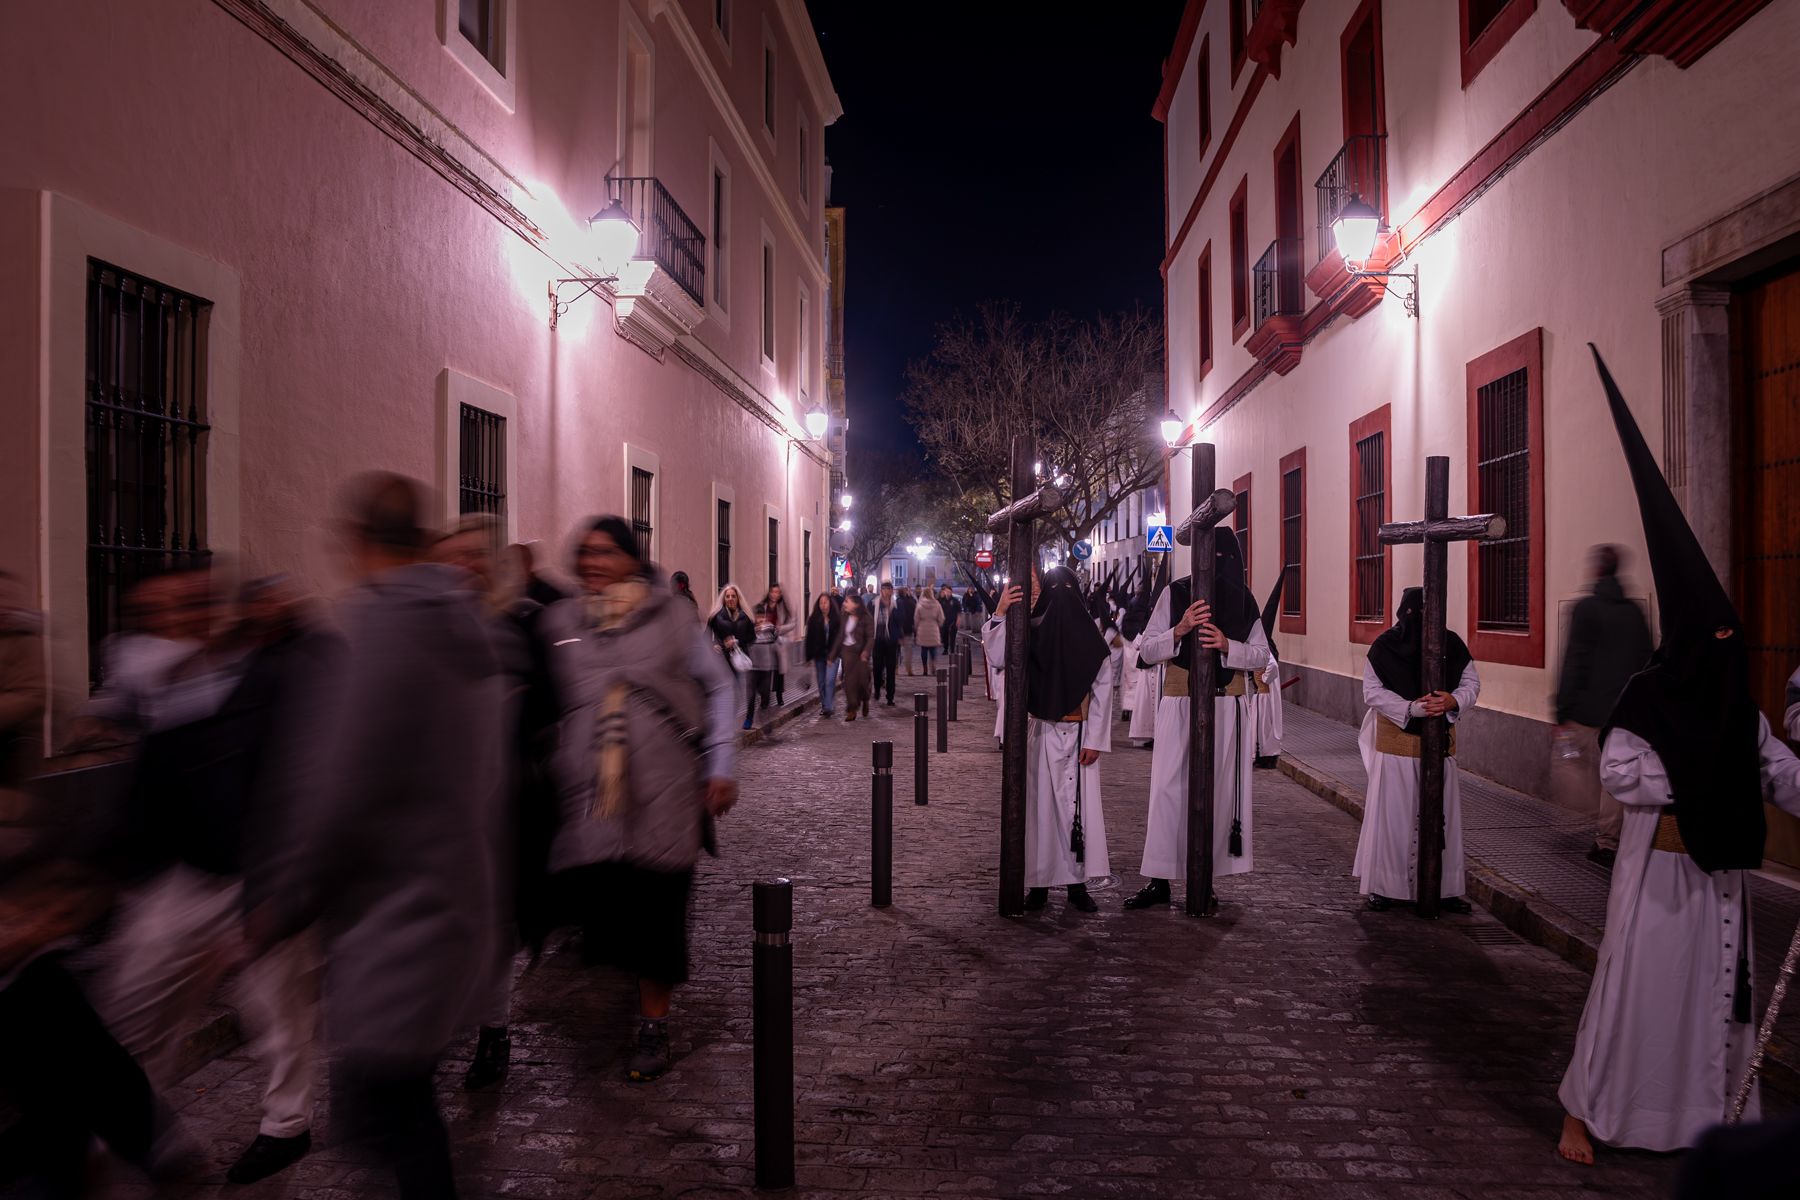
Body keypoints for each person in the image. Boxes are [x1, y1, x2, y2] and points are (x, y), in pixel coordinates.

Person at [1556, 350, 1800, 1165]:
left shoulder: (1735, 708)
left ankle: (1705, 1126)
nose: (1728, 655)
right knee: (1640, 998)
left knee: (1711, 1008)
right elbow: (1623, 773)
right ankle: (1586, 1114)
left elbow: (1774, 769)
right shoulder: (1647, 700)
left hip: (1719, 879)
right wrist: (1700, 775)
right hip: (1657, 878)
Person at [251, 472, 506, 1199]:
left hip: (394, 917)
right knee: (398, 1112)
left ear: (358, 541)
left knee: (390, 1118)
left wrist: (288, 900)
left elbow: (343, 787)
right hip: (449, 896)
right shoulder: (464, 625)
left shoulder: (385, 628)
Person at [538, 516, 738, 1083]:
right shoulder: (562, 624)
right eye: (585, 553)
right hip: (593, 800)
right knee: (605, 907)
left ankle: (654, 1026)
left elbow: (720, 687)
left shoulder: (672, 618)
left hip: (665, 793)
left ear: (632, 557)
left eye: (606, 552)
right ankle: (629, 990)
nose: (593, 562)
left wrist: (720, 764)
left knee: (657, 911)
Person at [434, 517, 562, 1094]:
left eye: (473, 557)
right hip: (433, 811)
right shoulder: (424, 630)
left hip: (501, 804)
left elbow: (552, 708)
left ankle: (494, 1033)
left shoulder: (519, 627)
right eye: (452, 557)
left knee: (492, 930)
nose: (464, 567)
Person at [1127, 530, 1267, 912]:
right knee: (1169, 790)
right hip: (1180, 706)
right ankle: (1159, 878)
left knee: (1220, 793)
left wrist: (1228, 646)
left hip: (1227, 709)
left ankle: (1206, 877)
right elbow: (1146, 651)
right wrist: (1181, 629)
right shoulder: (1175, 594)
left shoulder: (1243, 601)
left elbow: (1261, 657)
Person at [983, 568, 1113, 912]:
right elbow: (997, 658)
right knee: (1039, 811)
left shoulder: (1087, 638)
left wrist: (1096, 739)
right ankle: (1038, 884)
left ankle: (1076, 885)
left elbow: (1102, 686)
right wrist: (1000, 612)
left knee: (1075, 812)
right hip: (1039, 731)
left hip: (1079, 734)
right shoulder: (1028, 631)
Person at [1353, 587, 1482, 913]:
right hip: (1396, 751)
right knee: (1393, 819)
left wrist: (1452, 700)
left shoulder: (1451, 645)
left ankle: (1445, 886)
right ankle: (1384, 886)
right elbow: (1372, 692)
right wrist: (1410, 708)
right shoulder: (1384, 647)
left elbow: (1471, 684)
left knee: (1443, 820)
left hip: (1438, 749)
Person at [1553, 544, 1654, 870]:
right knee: (1614, 777)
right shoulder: (1634, 612)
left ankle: (1600, 834)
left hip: (1587, 712)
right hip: (1624, 713)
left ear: (1597, 570)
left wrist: (1562, 709)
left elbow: (1575, 660)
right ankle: (1608, 836)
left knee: (1583, 771)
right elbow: (1647, 661)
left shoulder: (1586, 609)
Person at [707, 585, 755, 729]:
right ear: (724, 599)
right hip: (722, 660)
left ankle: (729, 720)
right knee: (724, 692)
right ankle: (723, 722)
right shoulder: (716, 617)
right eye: (727, 596)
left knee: (736, 693)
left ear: (738, 598)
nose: (730, 599)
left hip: (738, 662)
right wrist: (713, 644)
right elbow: (706, 637)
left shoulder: (745, 617)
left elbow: (752, 638)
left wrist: (737, 642)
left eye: (733, 596)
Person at [1251, 574, 1286, 769]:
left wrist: (1263, 679)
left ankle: (1266, 755)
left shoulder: (1267, 649)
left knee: (1266, 726)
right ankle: (1261, 754)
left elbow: (1272, 666)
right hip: (1260, 695)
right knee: (1261, 726)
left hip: (1265, 695)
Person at [803, 593, 843, 717]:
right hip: (819, 655)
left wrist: (836, 654)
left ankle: (829, 706)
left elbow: (839, 639)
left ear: (830, 603)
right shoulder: (814, 619)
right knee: (821, 682)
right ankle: (825, 706)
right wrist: (808, 657)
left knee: (829, 680)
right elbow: (809, 639)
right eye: (821, 602)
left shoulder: (836, 619)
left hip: (833, 655)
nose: (823, 605)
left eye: (825, 602)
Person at [839, 593, 872, 721]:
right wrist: (832, 656)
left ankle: (865, 699)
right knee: (849, 682)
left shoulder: (866, 618)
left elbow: (870, 637)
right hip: (848, 652)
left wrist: (866, 651)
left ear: (856, 604)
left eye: (847, 601)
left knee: (863, 682)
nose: (844, 603)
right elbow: (840, 636)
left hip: (861, 653)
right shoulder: (844, 617)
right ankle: (852, 709)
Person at [746, 601, 780, 729]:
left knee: (765, 693)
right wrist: (753, 631)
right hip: (752, 668)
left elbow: (776, 636)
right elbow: (744, 640)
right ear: (754, 617)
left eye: (762, 617)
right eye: (758, 617)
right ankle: (749, 718)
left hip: (766, 668)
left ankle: (764, 716)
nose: (760, 619)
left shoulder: (769, 628)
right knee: (750, 696)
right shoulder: (749, 629)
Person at [761, 583, 797, 705]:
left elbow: (792, 623)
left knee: (778, 671)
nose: (775, 594)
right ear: (769, 593)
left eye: (777, 592)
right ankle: (764, 698)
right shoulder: (764, 606)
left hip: (779, 642)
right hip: (765, 642)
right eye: (773, 592)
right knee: (766, 671)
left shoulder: (783, 607)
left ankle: (779, 696)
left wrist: (780, 629)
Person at [506, 541, 568, 609]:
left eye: (513, 561)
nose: (507, 568)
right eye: (507, 563)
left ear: (528, 562)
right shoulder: (509, 592)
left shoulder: (548, 593)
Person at [871, 582, 904, 706]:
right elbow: (869, 620)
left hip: (891, 641)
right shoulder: (874, 603)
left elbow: (901, 619)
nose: (886, 591)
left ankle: (890, 696)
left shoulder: (897, 604)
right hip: (877, 640)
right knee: (877, 668)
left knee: (890, 670)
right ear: (881, 590)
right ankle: (878, 689)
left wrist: (892, 612)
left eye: (888, 589)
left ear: (891, 591)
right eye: (883, 589)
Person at [915, 586, 946, 676]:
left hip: (923, 628)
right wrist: (939, 625)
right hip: (933, 628)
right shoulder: (937, 604)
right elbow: (941, 618)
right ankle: (933, 666)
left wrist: (917, 627)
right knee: (933, 649)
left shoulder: (920, 604)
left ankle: (925, 668)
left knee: (924, 649)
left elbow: (916, 618)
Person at [896, 584, 918, 675]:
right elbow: (915, 616)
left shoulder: (896, 602)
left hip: (897, 629)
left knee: (896, 651)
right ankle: (909, 669)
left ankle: (895, 669)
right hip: (908, 628)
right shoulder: (911, 602)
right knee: (908, 651)